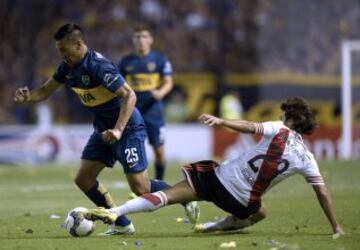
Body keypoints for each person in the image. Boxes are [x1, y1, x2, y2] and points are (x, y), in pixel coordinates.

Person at [13, 23, 198, 236]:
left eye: (64, 50)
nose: (62, 55)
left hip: (127, 127)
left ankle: (185, 197)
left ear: (78, 44)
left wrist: (118, 130)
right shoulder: (67, 67)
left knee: (141, 189)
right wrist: (28, 97)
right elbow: (45, 90)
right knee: (84, 179)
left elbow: (130, 96)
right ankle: (122, 223)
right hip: (103, 130)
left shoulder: (99, 66)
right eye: (59, 51)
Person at [84, 97, 344, 238]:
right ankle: (214, 227)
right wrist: (335, 227)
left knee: (166, 196)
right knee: (261, 212)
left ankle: (117, 211)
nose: (280, 117)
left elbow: (249, 126)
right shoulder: (308, 159)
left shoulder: (279, 129)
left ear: (289, 119)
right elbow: (322, 193)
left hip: (219, 180)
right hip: (243, 203)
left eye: (283, 114)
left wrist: (220, 120)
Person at [118, 25, 173, 180]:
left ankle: (159, 183)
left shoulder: (159, 59)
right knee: (134, 149)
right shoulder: (126, 62)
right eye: (137, 37)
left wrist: (160, 92)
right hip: (133, 109)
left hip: (154, 110)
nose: (141, 40)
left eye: (144, 36)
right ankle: (139, 184)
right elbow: (118, 84)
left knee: (159, 151)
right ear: (133, 40)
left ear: (150, 39)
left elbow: (168, 82)